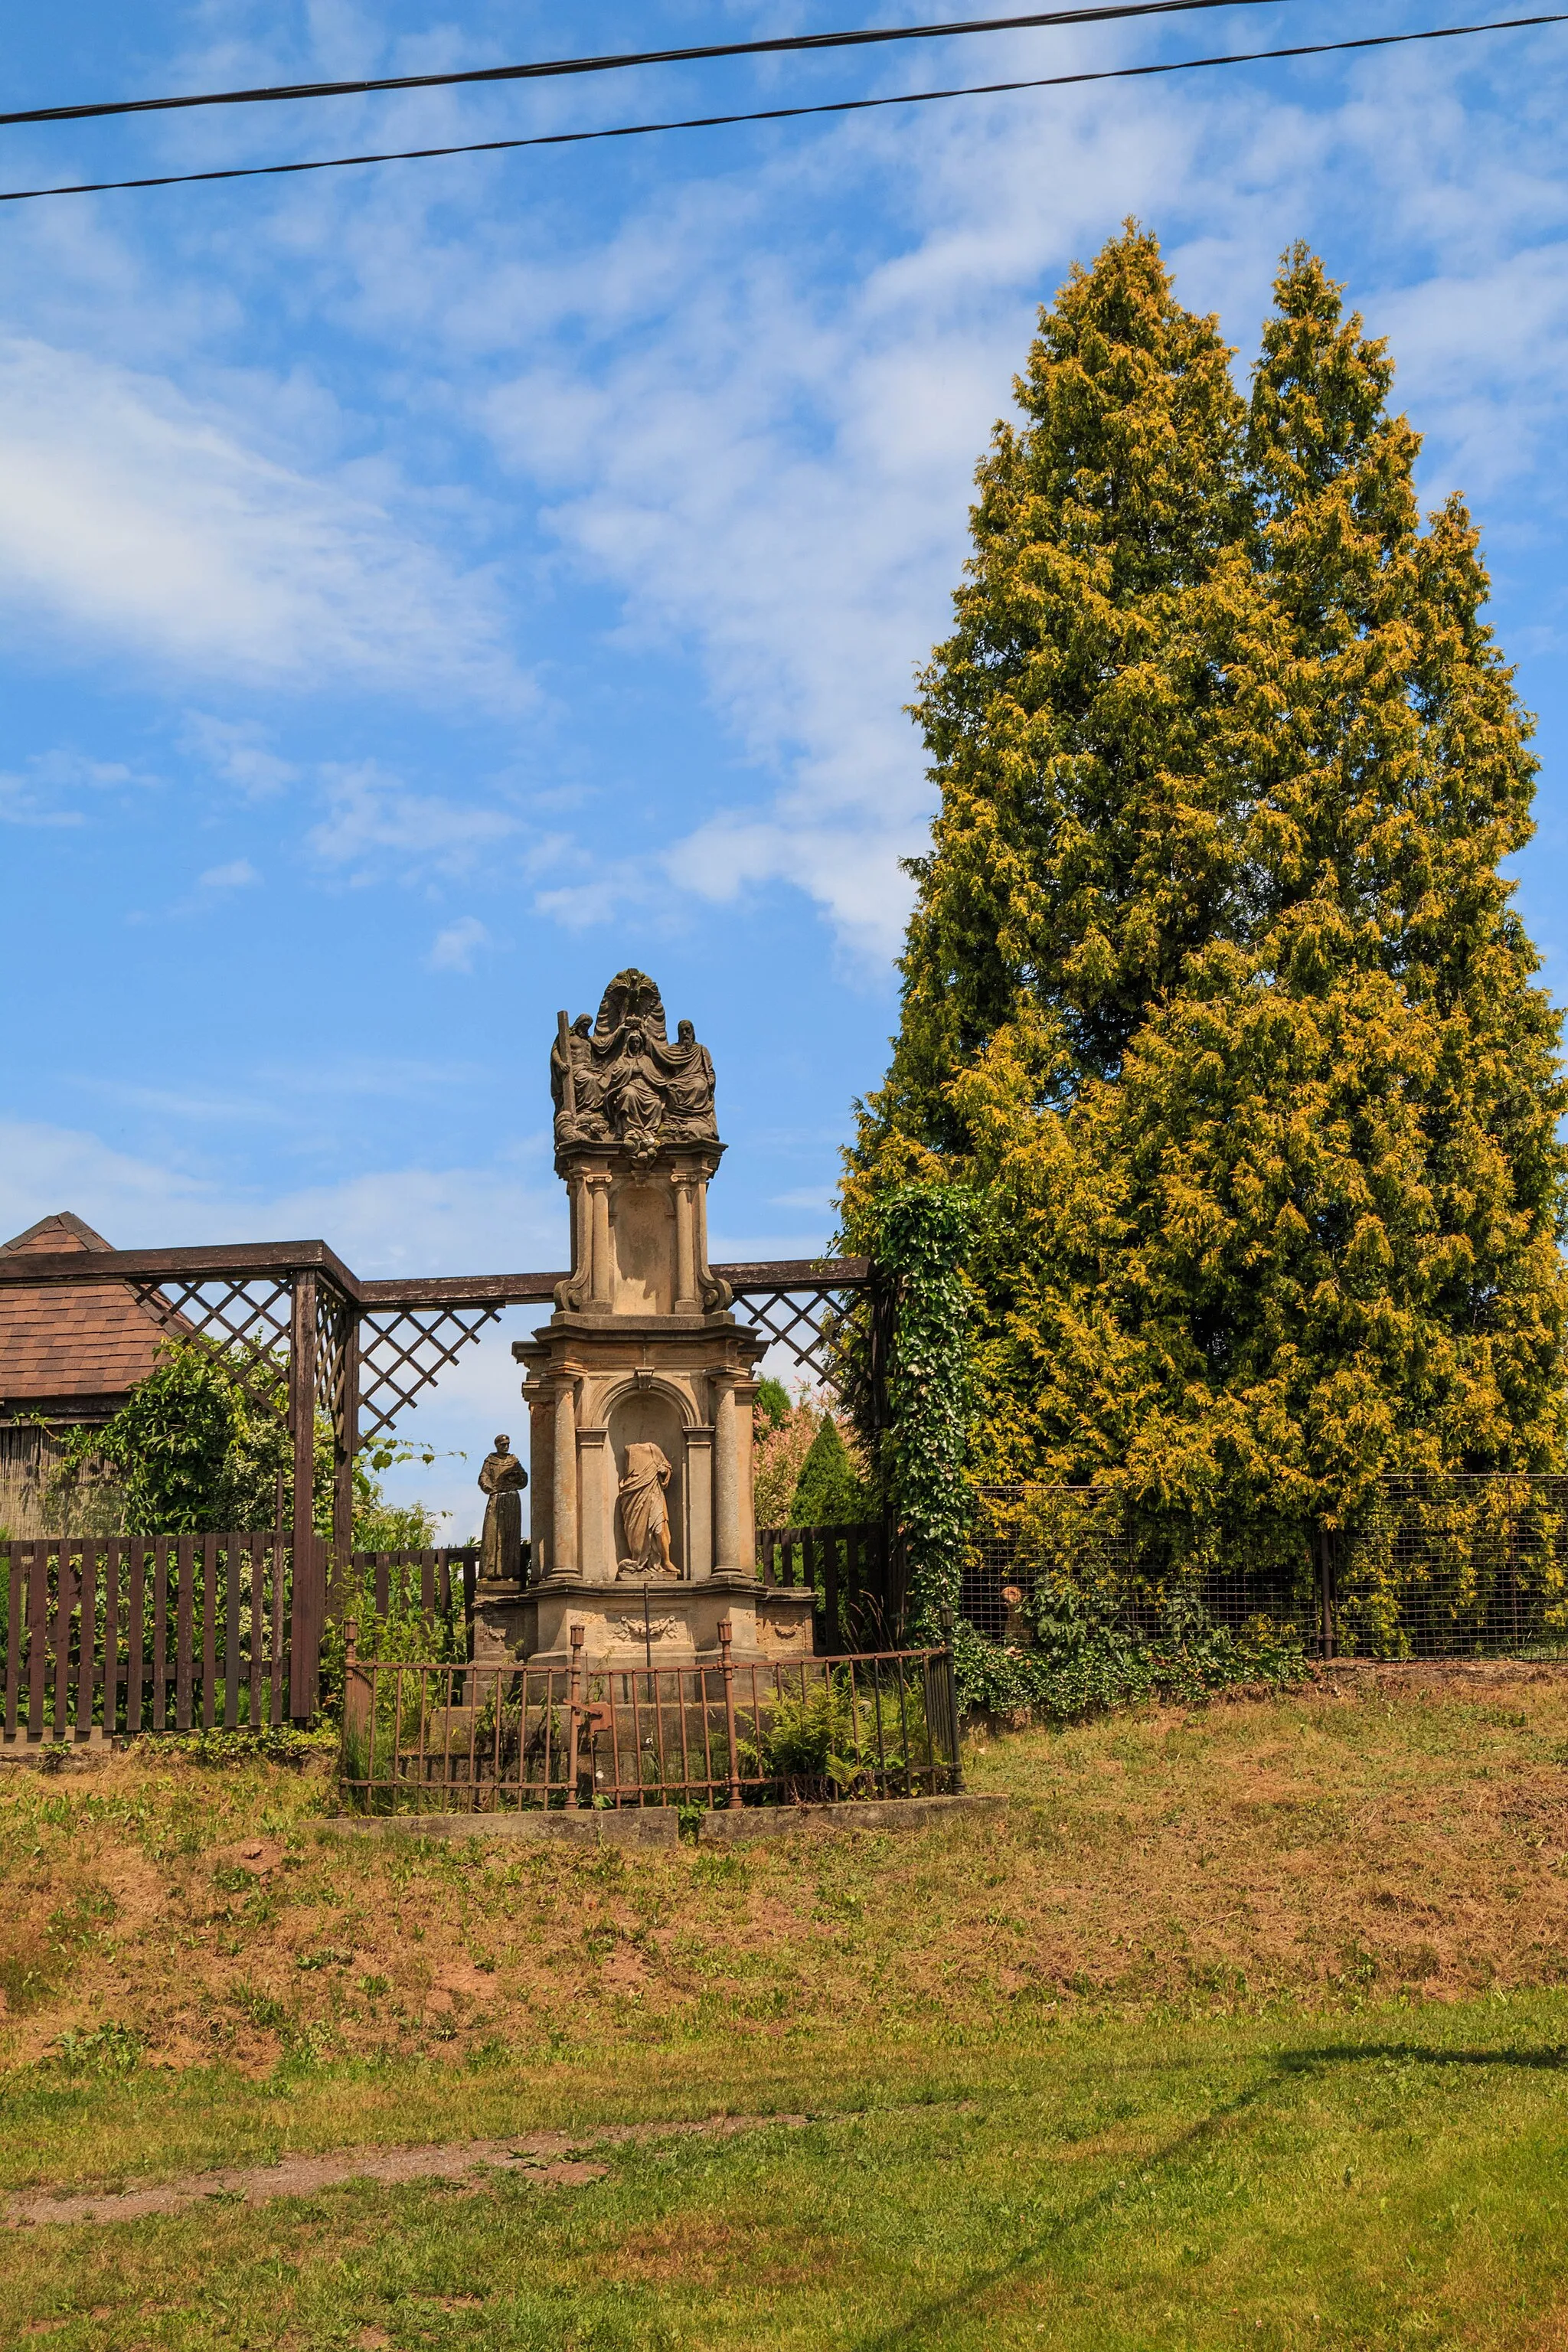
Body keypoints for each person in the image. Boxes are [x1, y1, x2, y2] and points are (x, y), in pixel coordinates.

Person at [617, 1440, 678, 1578]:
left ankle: (666, 1561)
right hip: (634, 1496)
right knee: (637, 1531)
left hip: (654, 1494)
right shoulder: (629, 1450)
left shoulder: (653, 1449)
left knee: (659, 1528)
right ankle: (638, 1560)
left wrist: (665, 1471)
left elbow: (667, 1466)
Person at [479, 1436, 527, 1584]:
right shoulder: (490, 1462)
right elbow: (483, 1478)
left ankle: (510, 1572)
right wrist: (489, 1487)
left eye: (508, 1444)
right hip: (496, 1498)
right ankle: (489, 1571)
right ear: (497, 1445)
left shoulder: (514, 1461)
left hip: (511, 1499)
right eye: (503, 1444)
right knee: (492, 1535)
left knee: (510, 1535)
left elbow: (524, 1479)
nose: (506, 1447)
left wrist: (516, 1477)